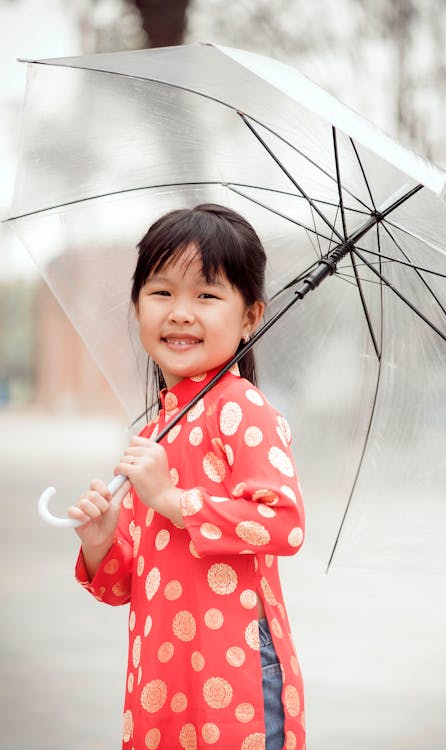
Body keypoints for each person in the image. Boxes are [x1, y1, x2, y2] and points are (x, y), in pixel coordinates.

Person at [68, 203, 306, 750]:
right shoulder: (155, 428)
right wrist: (102, 542)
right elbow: (126, 582)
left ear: (250, 317)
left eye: (206, 295)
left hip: (237, 667)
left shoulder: (242, 408)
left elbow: (284, 522)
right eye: (161, 292)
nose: (180, 313)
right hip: (162, 673)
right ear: (136, 306)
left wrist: (173, 499)